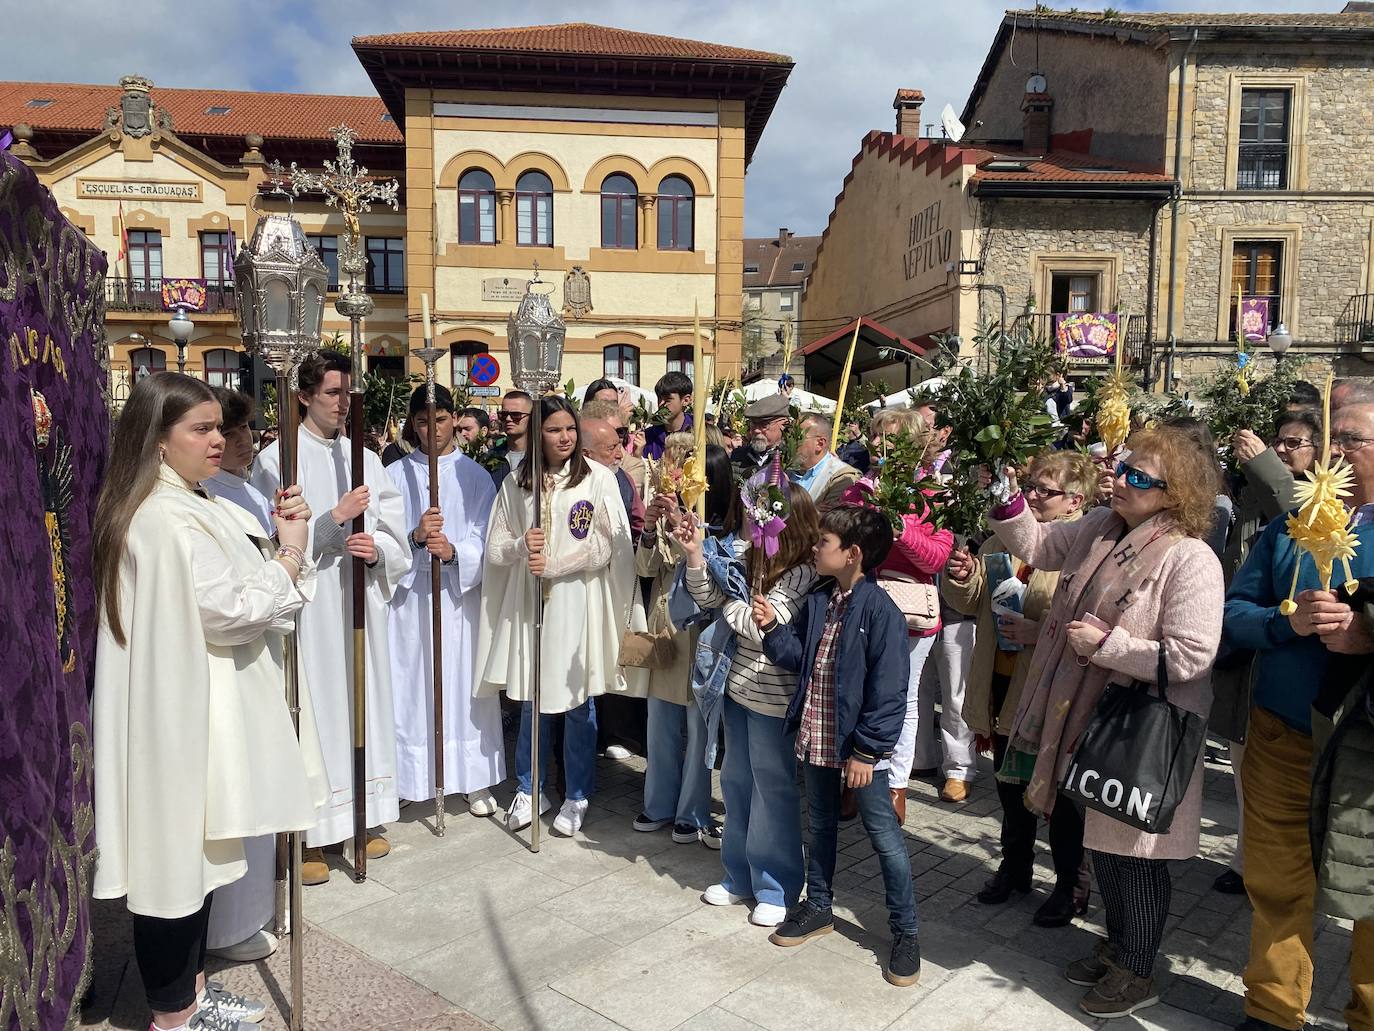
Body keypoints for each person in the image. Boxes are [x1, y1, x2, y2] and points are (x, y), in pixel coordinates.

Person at [93, 373, 326, 1031]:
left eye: (219, 425)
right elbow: (231, 609)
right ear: (157, 440)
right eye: (200, 428)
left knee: (191, 862)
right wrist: (290, 554)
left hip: (192, 709)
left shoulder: (191, 501)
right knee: (170, 865)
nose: (218, 438)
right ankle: (174, 1015)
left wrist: (280, 545)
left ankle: (191, 992)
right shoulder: (164, 518)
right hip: (175, 720)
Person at [987, 425, 1225, 1019]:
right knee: (1104, 845)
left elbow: (1192, 657)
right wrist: (1003, 490)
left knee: (1133, 854)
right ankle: (1120, 949)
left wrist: (1107, 645)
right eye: (1124, 469)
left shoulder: (1190, 558)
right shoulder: (1098, 528)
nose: (1120, 481)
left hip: (1137, 726)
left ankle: (1139, 971)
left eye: (1138, 477)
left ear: (1176, 493)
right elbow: (1038, 545)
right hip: (1086, 718)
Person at [1223, 402, 1374, 1031]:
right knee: (1278, 879)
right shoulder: (1291, 525)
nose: (1336, 448)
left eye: (1353, 437)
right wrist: (1285, 624)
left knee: (1371, 892)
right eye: (1331, 437)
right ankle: (1274, 1009)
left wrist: (1368, 631)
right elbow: (1233, 611)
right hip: (1282, 733)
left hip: (1363, 744)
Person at [252, 351, 410, 885]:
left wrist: (378, 549)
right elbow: (274, 543)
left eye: (348, 394)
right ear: (303, 396)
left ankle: (360, 819)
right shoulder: (278, 460)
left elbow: (396, 531)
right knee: (317, 709)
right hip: (313, 611)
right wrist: (335, 520)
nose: (345, 405)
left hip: (358, 599)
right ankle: (312, 833)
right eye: (333, 394)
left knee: (360, 706)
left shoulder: (366, 456)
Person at [753, 505, 921, 987]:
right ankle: (819, 906)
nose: (814, 546)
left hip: (858, 751)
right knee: (821, 825)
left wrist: (868, 752)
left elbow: (890, 691)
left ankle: (906, 932)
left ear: (852, 554)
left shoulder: (880, 612)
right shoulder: (822, 598)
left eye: (824, 541)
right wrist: (770, 628)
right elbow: (795, 656)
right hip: (819, 738)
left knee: (885, 838)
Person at [943, 450, 1097, 927]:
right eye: (1030, 487)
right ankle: (1016, 868)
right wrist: (962, 575)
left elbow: (1095, 618)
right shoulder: (1002, 539)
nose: (1031, 497)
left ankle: (1071, 885)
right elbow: (970, 602)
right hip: (1002, 684)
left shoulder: (1085, 549)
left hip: (1052, 695)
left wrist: (1042, 630)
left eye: (1043, 491)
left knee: (1058, 798)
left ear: (1076, 500)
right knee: (1010, 790)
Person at [476, 396, 634, 837]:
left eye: (570, 429)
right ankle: (530, 786)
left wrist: (561, 564)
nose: (564, 438)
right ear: (537, 433)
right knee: (531, 697)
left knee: (577, 702)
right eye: (554, 429)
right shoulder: (518, 483)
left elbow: (610, 546)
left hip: (576, 602)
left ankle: (578, 792)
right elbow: (495, 547)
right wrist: (521, 547)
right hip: (531, 604)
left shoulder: (598, 479)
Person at [678, 478, 819, 927]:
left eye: (757, 514)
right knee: (735, 783)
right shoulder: (747, 555)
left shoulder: (802, 571)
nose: (748, 522)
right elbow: (708, 598)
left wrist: (729, 605)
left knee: (772, 790)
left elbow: (759, 627)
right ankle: (738, 875)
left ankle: (776, 885)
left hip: (773, 700)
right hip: (736, 690)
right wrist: (696, 556)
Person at [386, 385, 504, 819]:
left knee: (463, 686)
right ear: (411, 424)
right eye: (421, 421)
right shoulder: (394, 476)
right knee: (413, 686)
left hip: (458, 602)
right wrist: (415, 539)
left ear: (453, 419)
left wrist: (454, 553)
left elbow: (488, 538)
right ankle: (409, 776)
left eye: (438, 419)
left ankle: (473, 777)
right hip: (412, 600)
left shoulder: (473, 476)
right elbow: (384, 540)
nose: (430, 429)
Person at [1213, 410, 1310, 896]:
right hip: (1247, 639)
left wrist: (1266, 464)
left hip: (1289, 653)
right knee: (1241, 760)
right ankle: (1247, 854)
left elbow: (1300, 516)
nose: (1284, 450)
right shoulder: (1251, 487)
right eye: (1279, 442)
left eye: (1295, 443)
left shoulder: (1320, 498)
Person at [199, 387, 279, 963]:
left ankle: (249, 912)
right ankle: (225, 926)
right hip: (226, 662)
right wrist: (294, 553)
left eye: (246, 432)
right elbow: (231, 602)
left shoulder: (246, 492)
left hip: (257, 653)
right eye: (230, 433)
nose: (243, 443)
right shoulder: (201, 504)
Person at [847, 409, 953, 819]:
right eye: (875, 437)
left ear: (912, 445)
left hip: (911, 613)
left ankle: (896, 785)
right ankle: (856, 779)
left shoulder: (934, 495)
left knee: (903, 698)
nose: (877, 446)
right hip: (863, 606)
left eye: (886, 439)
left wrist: (899, 529)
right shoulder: (859, 490)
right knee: (858, 692)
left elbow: (935, 558)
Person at [631, 444, 738, 848]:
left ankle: (692, 812)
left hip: (705, 634)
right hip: (666, 630)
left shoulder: (726, 528)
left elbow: (709, 566)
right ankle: (658, 803)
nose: (681, 488)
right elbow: (645, 568)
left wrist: (684, 530)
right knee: (658, 724)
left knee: (699, 729)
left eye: (689, 480)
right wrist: (650, 528)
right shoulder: (668, 518)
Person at [791, 412, 860, 513]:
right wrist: (813, 511)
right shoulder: (783, 470)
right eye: (789, 436)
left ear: (820, 443)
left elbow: (827, 522)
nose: (790, 442)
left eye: (797, 437)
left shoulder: (842, 478)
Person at [731, 392, 791, 481]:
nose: (756, 430)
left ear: (784, 424)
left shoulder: (791, 458)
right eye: (753, 424)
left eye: (764, 425)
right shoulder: (737, 457)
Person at [484, 390, 534, 486]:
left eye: (516, 415)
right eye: (503, 415)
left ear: (531, 417)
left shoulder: (541, 457)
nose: (508, 419)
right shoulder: (491, 457)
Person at [643, 370, 694, 460]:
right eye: (659, 398)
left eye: (667, 399)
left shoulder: (698, 433)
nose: (660, 404)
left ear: (685, 400)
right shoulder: (648, 436)